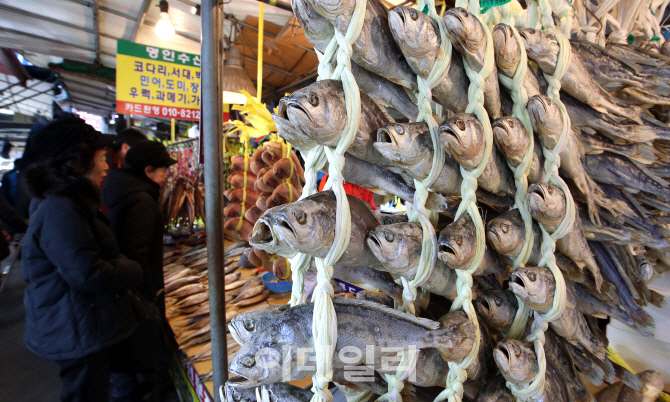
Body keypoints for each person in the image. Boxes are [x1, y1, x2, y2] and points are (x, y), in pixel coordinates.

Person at [21, 117, 144, 402]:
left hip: (78, 322)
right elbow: (89, 273)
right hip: (76, 327)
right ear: (76, 161)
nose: (106, 166)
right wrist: (133, 267)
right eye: (101, 158)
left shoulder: (67, 201)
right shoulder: (60, 208)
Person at [102, 140, 176, 401]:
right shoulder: (142, 201)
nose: (167, 174)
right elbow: (137, 254)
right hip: (138, 291)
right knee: (144, 348)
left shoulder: (122, 188)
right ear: (147, 170)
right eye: (163, 169)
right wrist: (150, 294)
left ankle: (133, 388)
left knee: (130, 356)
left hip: (126, 292)